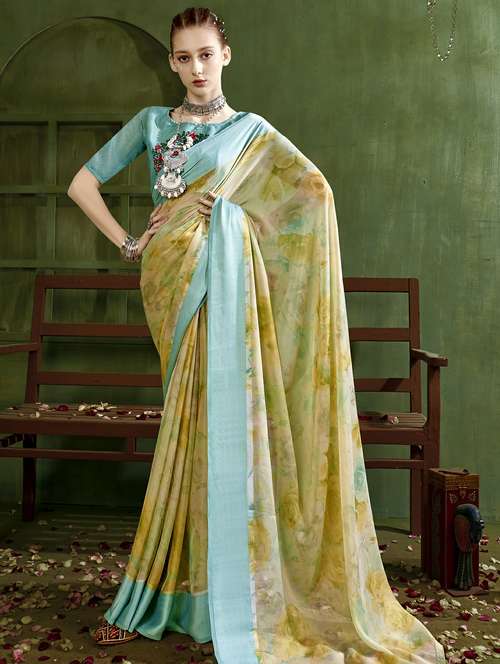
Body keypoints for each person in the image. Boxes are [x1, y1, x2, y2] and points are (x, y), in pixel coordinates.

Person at [67, 7, 446, 664]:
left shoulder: (251, 133)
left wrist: (230, 215)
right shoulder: (153, 125)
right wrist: (131, 242)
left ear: (226, 55)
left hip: (225, 287)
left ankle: (216, 592)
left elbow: (313, 196)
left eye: (205, 54)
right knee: (188, 424)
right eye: (183, 57)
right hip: (173, 281)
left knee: (213, 428)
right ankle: (171, 589)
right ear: (172, 63)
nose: (195, 68)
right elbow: (81, 184)